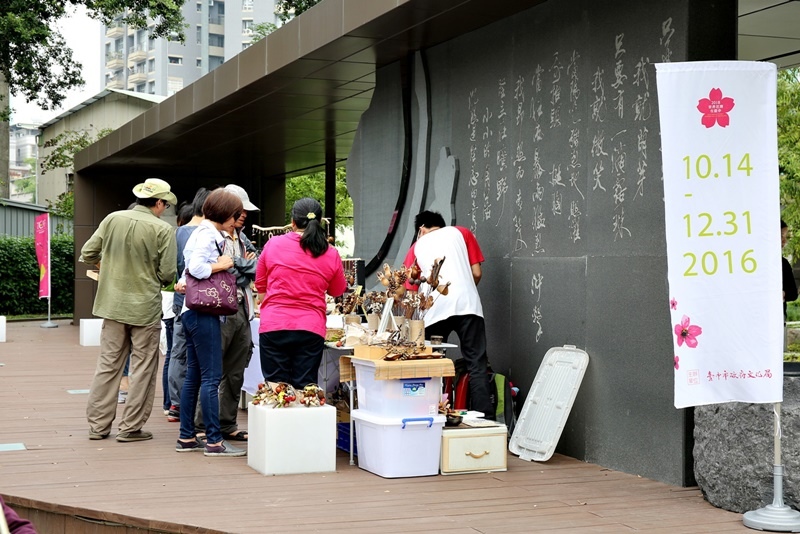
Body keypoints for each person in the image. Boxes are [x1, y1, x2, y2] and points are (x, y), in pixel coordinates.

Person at [79, 178, 178, 442]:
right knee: (143, 367)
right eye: (164, 204)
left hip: (111, 305)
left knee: (108, 365)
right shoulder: (163, 229)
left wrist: (107, 266)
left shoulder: (112, 219)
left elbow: (88, 252)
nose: (164, 209)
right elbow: (168, 273)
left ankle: (98, 427)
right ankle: (130, 427)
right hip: (145, 308)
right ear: (158, 202)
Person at [175, 188, 246, 457]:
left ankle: (186, 437)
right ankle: (215, 441)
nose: (237, 219)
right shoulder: (208, 235)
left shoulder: (200, 232)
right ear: (225, 213)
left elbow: (187, 274)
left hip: (191, 311)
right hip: (204, 313)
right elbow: (197, 269)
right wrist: (223, 263)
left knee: (194, 376)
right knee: (212, 377)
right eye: (235, 214)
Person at [403, 210, 494, 418]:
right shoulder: (462, 233)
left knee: (431, 364)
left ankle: (431, 413)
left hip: (434, 310)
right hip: (467, 305)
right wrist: (463, 292)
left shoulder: (417, 247)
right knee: (476, 364)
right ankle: (485, 421)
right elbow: (477, 272)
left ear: (421, 229)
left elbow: (411, 289)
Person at [255, 198, 347, 389]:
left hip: (274, 325)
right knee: (304, 388)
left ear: (293, 222)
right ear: (319, 222)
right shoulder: (330, 252)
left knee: (275, 389)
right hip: (310, 327)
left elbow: (261, 288)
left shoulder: (273, 245)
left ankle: (277, 419)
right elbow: (338, 290)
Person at [166, 188, 211, 422]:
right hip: (201, 302)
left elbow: (172, 268)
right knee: (198, 360)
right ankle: (190, 408)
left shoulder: (177, 233)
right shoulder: (208, 234)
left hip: (181, 299)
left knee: (178, 353)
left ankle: (175, 403)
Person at [782, 219, 798, 323]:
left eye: (785, 237)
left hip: (778, 319)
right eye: (781, 236)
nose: (784, 241)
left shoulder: (783, 263)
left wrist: (783, 294)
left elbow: (793, 293)